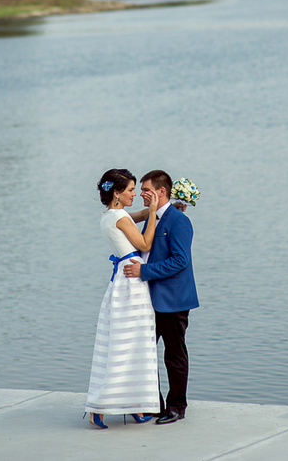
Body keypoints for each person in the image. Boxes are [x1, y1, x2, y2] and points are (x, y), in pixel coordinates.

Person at [84, 168, 160, 429]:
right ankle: (102, 407)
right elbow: (146, 244)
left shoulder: (110, 216)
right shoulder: (121, 218)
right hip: (132, 283)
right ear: (116, 192)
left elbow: (132, 217)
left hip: (122, 281)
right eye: (130, 190)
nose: (134, 194)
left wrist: (151, 209)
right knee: (133, 343)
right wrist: (152, 213)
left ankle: (135, 405)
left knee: (131, 342)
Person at [123, 169, 199, 425]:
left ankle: (177, 407)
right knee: (145, 353)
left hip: (173, 300)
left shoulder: (179, 221)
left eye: (145, 190)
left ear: (161, 192)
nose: (142, 195)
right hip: (149, 299)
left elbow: (180, 261)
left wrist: (143, 271)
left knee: (174, 355)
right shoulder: (153, 216)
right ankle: (154, 405)